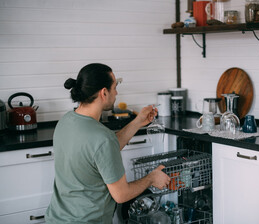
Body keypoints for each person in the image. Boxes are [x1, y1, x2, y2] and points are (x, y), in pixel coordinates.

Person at [45, 63, 170, 223]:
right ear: (104, 92)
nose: (117, 92)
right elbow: (121, 194)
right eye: (115, 87)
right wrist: (151, 178)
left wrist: (138, 122)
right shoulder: (102, 138)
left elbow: (99, 154)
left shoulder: (66, 121)